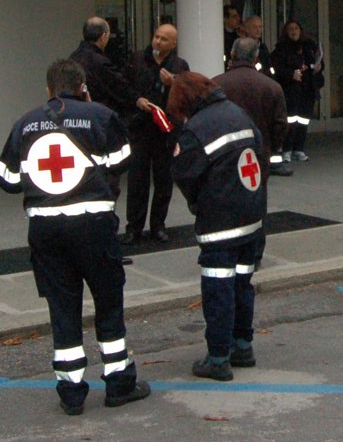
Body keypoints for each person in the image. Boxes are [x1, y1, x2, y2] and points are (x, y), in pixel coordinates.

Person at [0, 59, 150, 415]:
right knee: (108, 301)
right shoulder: (99, 115)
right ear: (82, 85)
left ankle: (71, 392)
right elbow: (123, 158)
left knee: (62, 306)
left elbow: (5, 179)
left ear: (48, 89)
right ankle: (119, 384)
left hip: (45, 229)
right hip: (93, 224)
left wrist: (35, 180)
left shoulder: (25, 122)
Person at [167, 71, 268, 381]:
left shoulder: (197, 129)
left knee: (218, 288)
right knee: (242, 283)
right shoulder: (239, 114)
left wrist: (198, 203)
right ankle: (242, 345)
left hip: (220, 222)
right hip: (251, 217)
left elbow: (184, 174)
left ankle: (218, 358)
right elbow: (260, 155)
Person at [123, 23, 189, 244]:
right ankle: (134, 227)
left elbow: (187, 94)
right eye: (156, 37)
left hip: (166, 130)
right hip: (141, 129)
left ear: (173, 44)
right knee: (137, 181)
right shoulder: (138, 59)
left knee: (163, 181)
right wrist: (136, 100)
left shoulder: (179, 65)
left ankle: (158, 225)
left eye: (163, 39)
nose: (157, 42)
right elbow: (124, 86)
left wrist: (173, 83)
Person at [215, 35, 291, 177]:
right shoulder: (272, 87)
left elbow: (209, 121)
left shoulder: (217, 84)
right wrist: (269, 147)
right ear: (256, 57)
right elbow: (280, 124)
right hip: (259, 153)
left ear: (232, 54)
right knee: (256, 194)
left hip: (225, 155)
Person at [271, 19, 322, 162]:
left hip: (307, 89)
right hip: (290, 91)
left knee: (303, 121)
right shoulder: (281, 49)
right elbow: (277, 69)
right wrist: (291, 74)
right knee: (290, 120)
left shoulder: (310, 46)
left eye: (296, 28)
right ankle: (286, 149)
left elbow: (319, 61)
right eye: (290, 29)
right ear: (286, 32)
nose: (294, 31)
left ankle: (299, 149)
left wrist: (317, 67)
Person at [69, 17, 136, 115]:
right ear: (104, 36)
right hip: (99, 113)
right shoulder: (100, 62)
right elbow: (120, 88)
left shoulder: (72, 58)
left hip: (75, 111)